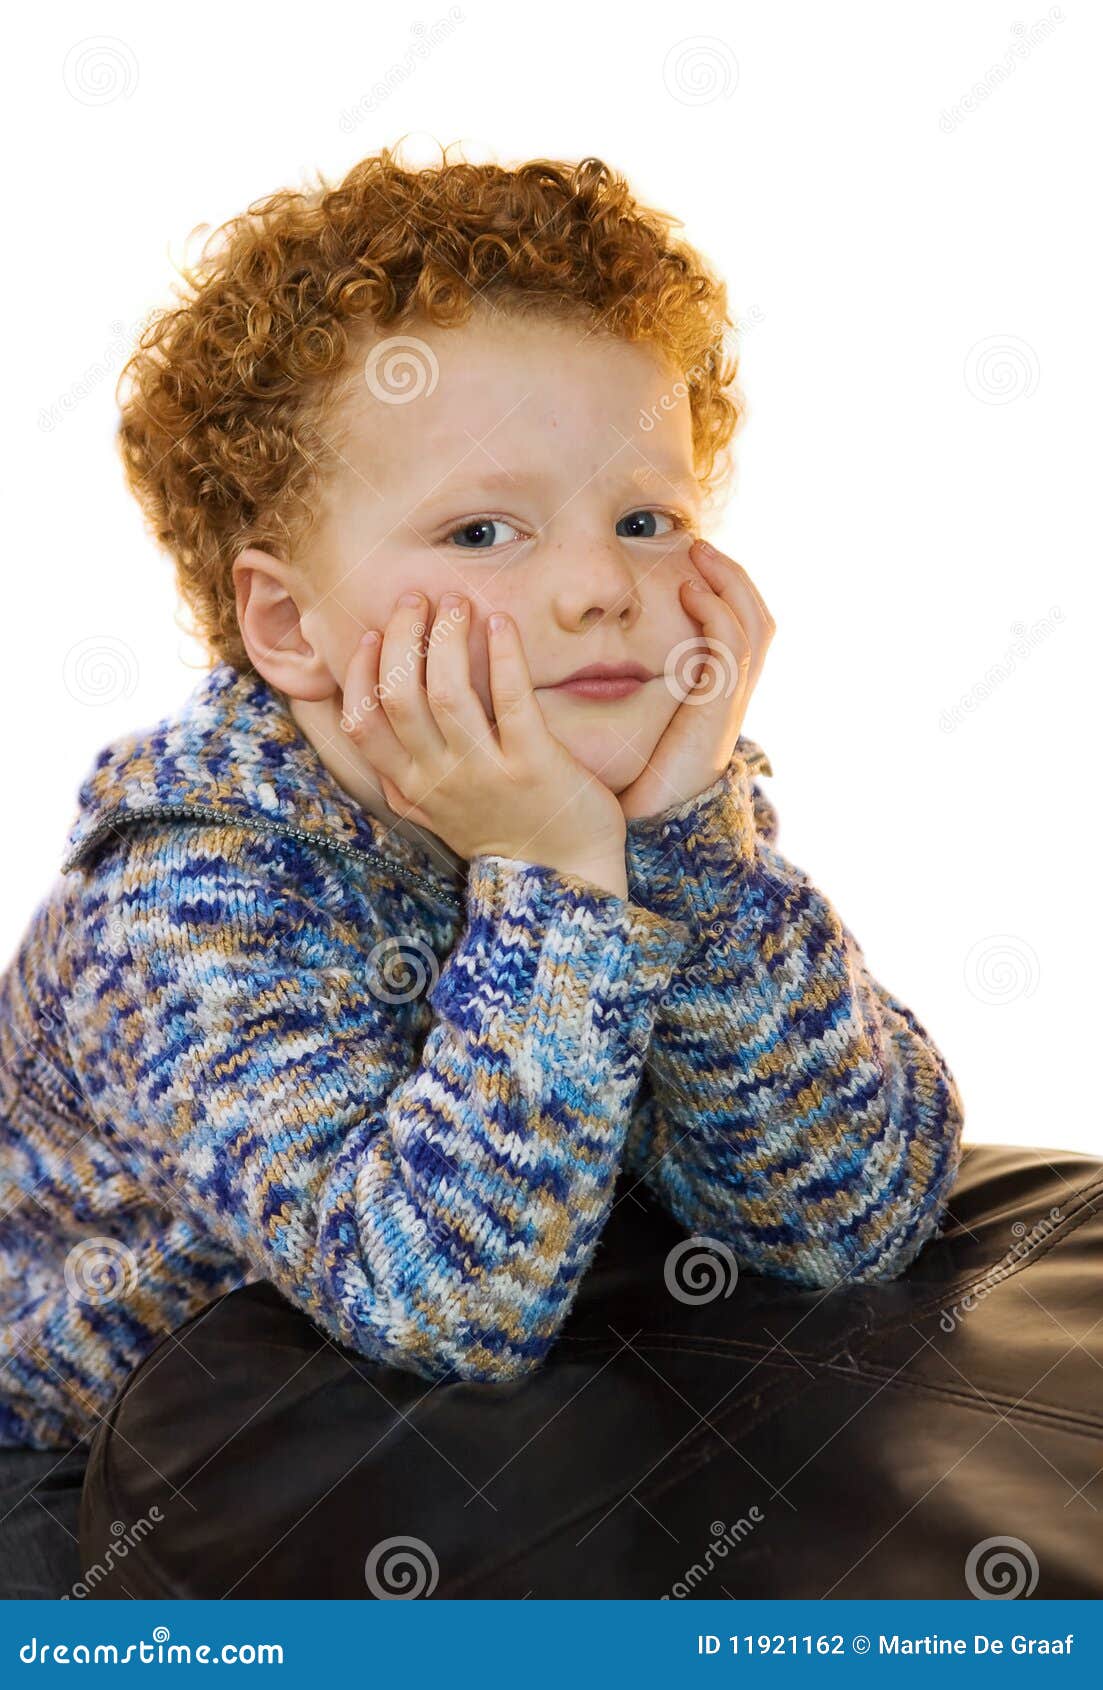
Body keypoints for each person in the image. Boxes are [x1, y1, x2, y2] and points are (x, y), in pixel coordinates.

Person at [0, 143, 964, 1596]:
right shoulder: (181, 902)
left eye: (647, 518)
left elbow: (853, 1213)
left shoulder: (619, 795)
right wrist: (559, 884)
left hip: (428, 1427)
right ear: (289, 625)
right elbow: (439, 1300)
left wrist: (685, 840)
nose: (598, 584)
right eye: (484, 530)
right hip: (114, 1496)